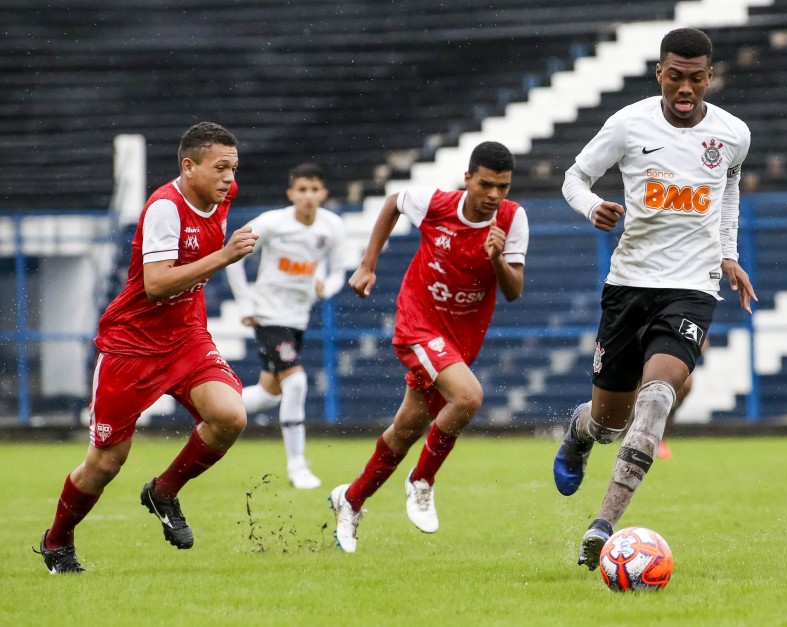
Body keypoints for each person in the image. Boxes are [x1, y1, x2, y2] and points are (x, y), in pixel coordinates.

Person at [552, 28, 757, 570]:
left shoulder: (733, 134)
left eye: (696, 77)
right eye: (675, 76)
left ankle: (603, 527)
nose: (685, 88)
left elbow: (728, 192)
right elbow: (574, 177)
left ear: (709, 77)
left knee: (659, 397)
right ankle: (579, 432)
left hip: (692, 288)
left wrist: (728, 254)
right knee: (608, 421)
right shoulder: (628, 125)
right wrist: (591, 206)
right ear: (659, 73)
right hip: (628, 285)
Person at [36, 122, 259, 574]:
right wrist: (224, 257)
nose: (229, 180)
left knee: (230, 416)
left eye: (233, 169)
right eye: (220, 168)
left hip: (186, 337)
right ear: (188, 166)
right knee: (105, 463)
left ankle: (164, 492)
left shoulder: (220, 197)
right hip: (132, 346)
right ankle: (57, 542)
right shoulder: (164, 207)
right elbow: (156, 285)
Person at [329, 141, 529, 553]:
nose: (494, 195)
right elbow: (393, 202)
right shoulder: (436, 204)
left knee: (406, 429)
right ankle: (422, 480)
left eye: (503, 187)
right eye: (486, 184)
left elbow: (514, 290)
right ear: (468, 179)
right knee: (469, 396)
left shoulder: (512, 219)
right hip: (418, 323)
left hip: (460, 339)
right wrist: (368, 264)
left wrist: (496, 259)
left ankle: (350, 500)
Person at [225, 163, 346, 490]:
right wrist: (246, 303)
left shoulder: (332, 227)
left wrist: (327, 287)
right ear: (291, 193)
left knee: (268, 394)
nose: (308, 196)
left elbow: (338, 272)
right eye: (301, 190)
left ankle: (209, 407)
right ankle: (297, 466)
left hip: (297, 318)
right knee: (296, 383)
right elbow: (232, 254)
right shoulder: (272, 223)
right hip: (268, 315)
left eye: (314, 189)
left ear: (323, 193)